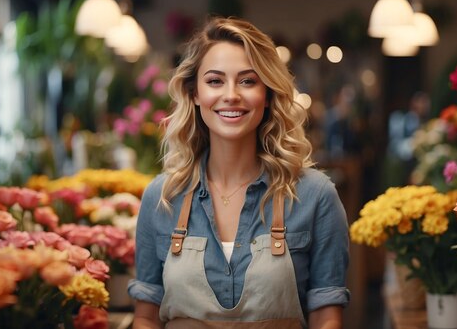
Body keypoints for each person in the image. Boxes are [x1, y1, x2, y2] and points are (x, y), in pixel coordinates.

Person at [128, 17, 350, 329]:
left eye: (247, 81)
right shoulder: (162, 197)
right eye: (215, 81)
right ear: (194, 93)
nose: (231, 95)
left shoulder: (314, 195)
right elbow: (145, 317)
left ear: (268, 94)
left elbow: (327, 318)